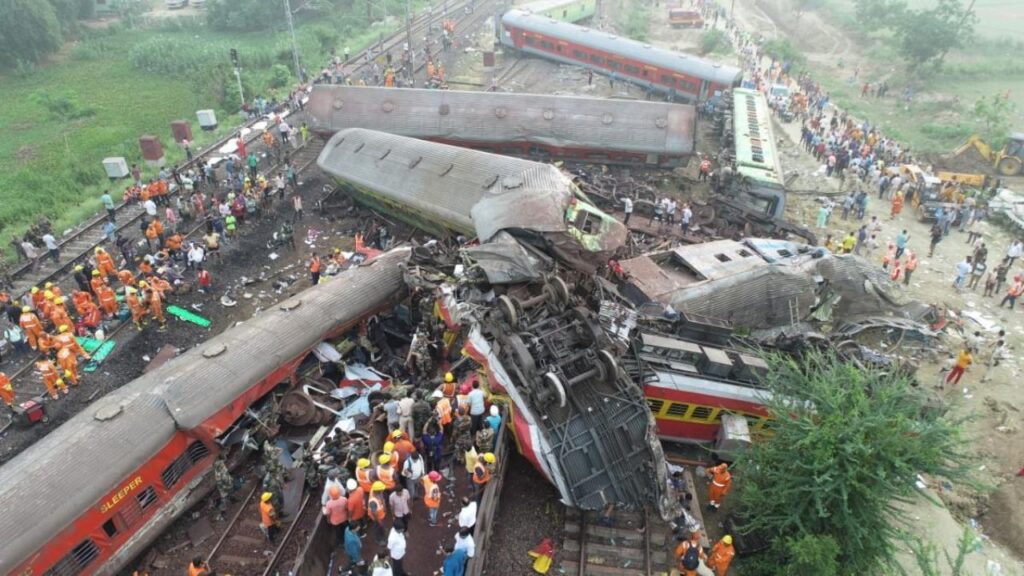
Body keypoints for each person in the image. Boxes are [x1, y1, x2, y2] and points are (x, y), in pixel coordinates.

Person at [368, 481, 389, 545]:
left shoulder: (377, 491)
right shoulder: (372, 501)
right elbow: (374, 513)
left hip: (381, 514)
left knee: (381, 525)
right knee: (377, 527)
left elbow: (382, 499)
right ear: (378, 490)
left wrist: (384, 507)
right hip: (376, 517)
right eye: (381, 490)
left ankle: (382, 530)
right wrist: (378, 521)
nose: (383, 490)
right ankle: (378, 539)